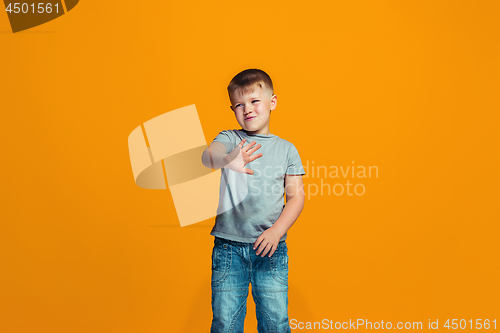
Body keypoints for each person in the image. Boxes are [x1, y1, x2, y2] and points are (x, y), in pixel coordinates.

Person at [201, 68, 306, 333]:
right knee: (225, 323)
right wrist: (228, 159)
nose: (247, 109)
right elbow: (206, 156)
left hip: (271, 250)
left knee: (275, 323)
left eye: (254, 101)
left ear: (272, 102)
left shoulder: (287, 149)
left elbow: (296, 197)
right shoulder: (230, 139)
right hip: (229, 249)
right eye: (239, 104)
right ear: (232, 109)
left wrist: (276, 231)